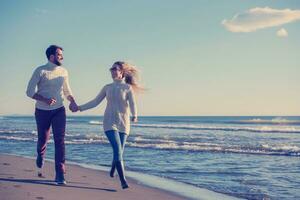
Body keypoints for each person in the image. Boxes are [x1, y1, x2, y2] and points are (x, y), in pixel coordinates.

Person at [71, 61, 142, 189]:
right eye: (111, 69)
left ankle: (113, 168)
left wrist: (135, 115)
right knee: (118, 150)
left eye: (115, 69)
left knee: (119, 152)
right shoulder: (107, 87)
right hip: (109, 122)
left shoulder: (127, 88)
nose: (113, 71)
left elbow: (132, 104)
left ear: (122, 72)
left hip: (124, 123)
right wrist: (80, 108)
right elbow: (95, 102)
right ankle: (123, 180)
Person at [26, 45, 78, 185]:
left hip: (59, 110)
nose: (62, 57)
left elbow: (67, 90)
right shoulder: (40, 71)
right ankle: (40, 154)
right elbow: (29, 92)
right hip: (42, 111)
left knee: (60, 141)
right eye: (59, 54)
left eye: (62, 54)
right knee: (43, 139)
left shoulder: (63, 71)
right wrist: (45, 99)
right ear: (51, 56)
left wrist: (72, 101)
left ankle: (60, 174)